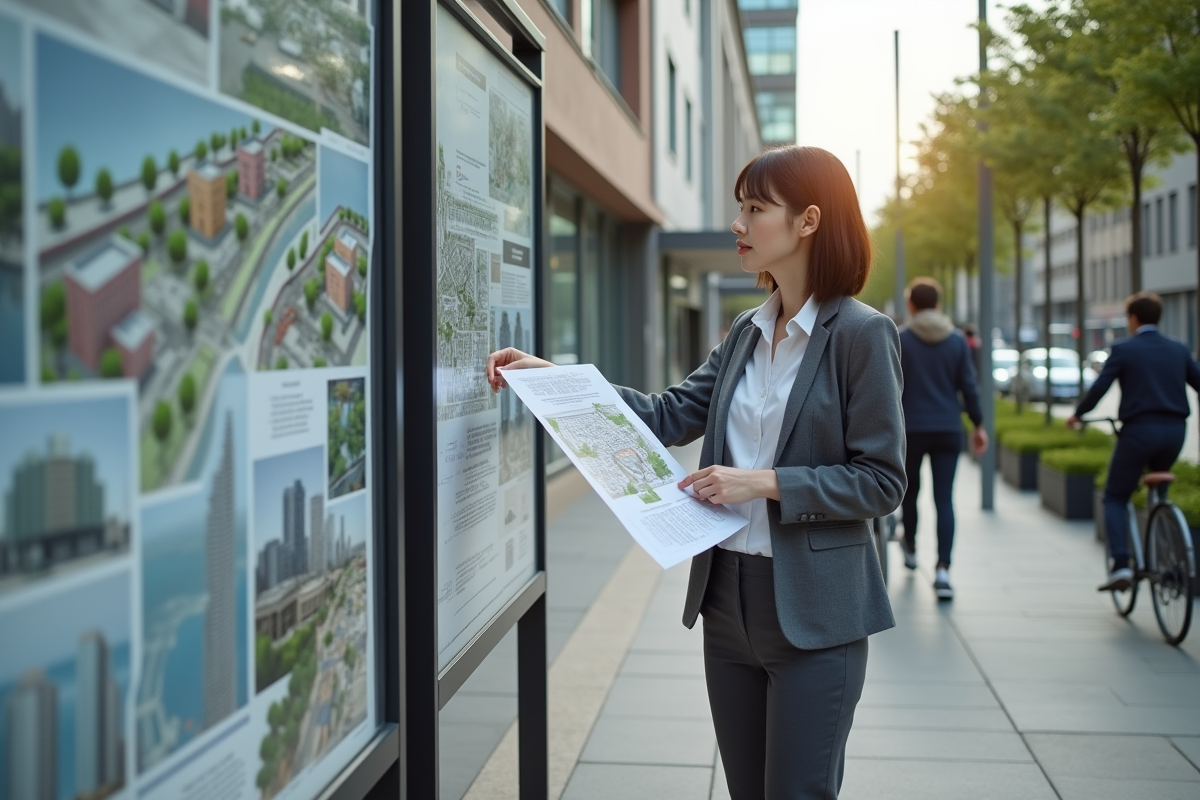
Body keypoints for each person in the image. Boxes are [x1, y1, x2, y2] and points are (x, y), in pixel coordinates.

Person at [487, 146, 904, 800]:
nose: (737, 224)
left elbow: (882, 482)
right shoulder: (745, 331)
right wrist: (553, 380)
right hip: (727, 603)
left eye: (755, 209)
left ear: (808, 221)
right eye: (741, 208)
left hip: (816, 613)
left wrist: (763, 483)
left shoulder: (861, 335)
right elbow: (668, 413)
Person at [1067, 292, 1200, 592]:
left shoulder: (1125, 349)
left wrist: (1078, 414)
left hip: (1139, 432)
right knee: (1160, 488)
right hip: (1175, 433)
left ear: (1133, 318)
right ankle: (1167, 545)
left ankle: (1122, 564)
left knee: (1115, 496)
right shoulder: (1178, 348)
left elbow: (1100, 387)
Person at [897, 279, 988, 600]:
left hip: (909, 429)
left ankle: (909, 547)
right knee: (944, 499)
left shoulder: (900, 339)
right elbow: (969, 387)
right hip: (948, 428)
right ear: (937, 304)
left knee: (909, 492)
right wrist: (978, 424)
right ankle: (943, 570)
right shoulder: (957, 341)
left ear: (911, 305)